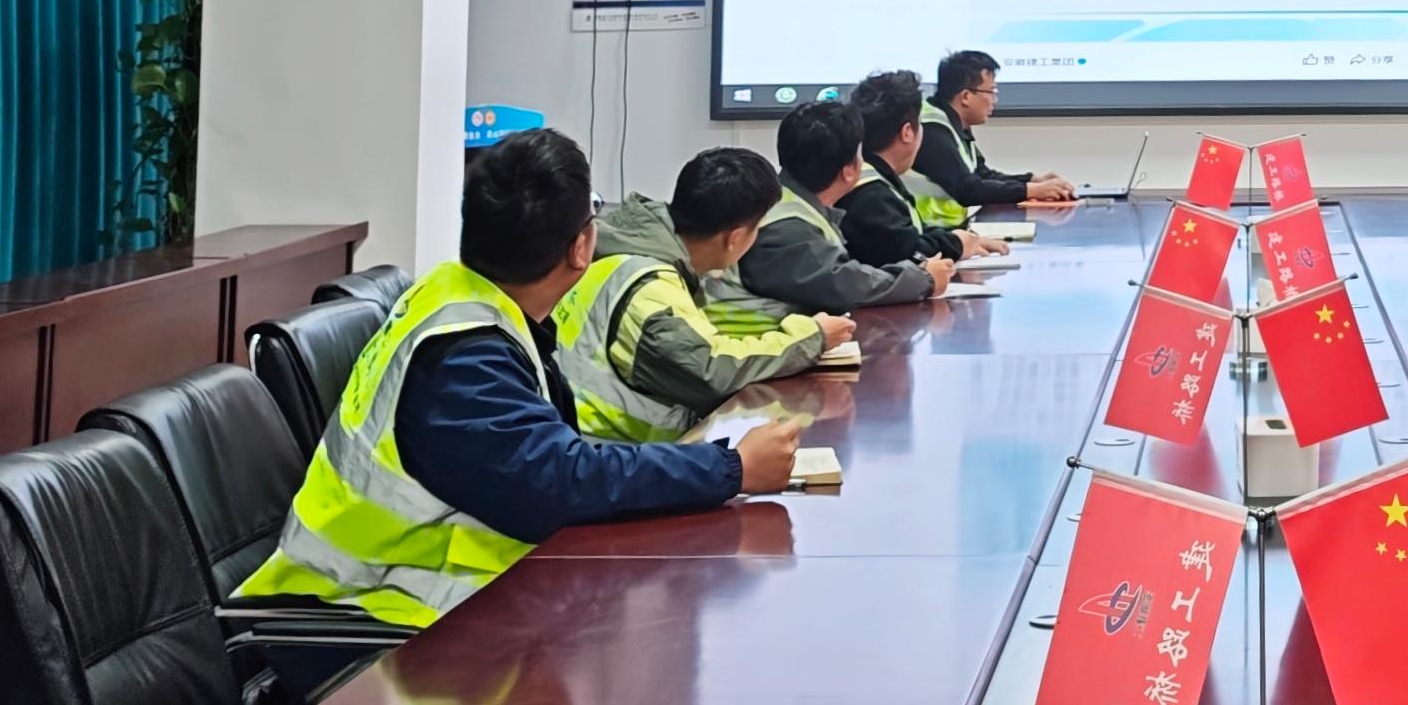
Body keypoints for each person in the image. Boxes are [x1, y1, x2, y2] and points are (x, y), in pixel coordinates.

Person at [237, 128, 798, 628]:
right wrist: (731, 468)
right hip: (371, 616)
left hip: (440, 602)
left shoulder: (458, 295)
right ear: (582, 246)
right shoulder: (464, 357)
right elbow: (558, 480)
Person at [550, 147, 855, 442]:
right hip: (611, 457)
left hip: (600, 449)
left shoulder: (629, 249)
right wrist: (812, 337)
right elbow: (712, 371)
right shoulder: (650, 289)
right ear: (735, 238)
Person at [741, 100, 949, 313]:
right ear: (848, 171)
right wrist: (924, 279)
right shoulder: (787, 227)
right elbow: (843, 284)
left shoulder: (790, 201)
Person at [840, 69, 992, 268]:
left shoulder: (870, 176)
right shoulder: (872, 194)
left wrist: (964, 239)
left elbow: (907, 235)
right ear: (907, 132)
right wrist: (956, 244)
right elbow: (906, 252)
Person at [917, 50, 1075, 213]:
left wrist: (1033, 181)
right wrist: (1031, 190)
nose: (995, 100)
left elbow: (982, 175)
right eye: (991, 92)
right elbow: (968, 190)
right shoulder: (932, 130)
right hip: (926, 228)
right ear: (966, 96)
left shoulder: (951, 124)